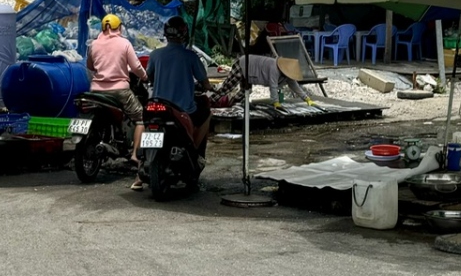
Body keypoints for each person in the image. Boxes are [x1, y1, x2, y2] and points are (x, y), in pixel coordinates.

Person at [139, 15, 210, 191]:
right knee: (207, 114)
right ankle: (196, 153)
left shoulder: (155, 54)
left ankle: (139, 165)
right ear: (183, 33)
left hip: (158, 106)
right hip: (183, 109)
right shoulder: (190, 56)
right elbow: (205, 83)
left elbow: (148, 77)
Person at [85, 14, 147, 162]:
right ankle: (134, 155)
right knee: (140, 117)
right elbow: (136, 66)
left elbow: (90, 66)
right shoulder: (124, 43)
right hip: (119, 91)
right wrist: (145, 77)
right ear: (119, 27)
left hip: (96, 91)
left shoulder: (94, 44)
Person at [210, 55, 313, 108]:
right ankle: (209, 102)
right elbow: (273, 86)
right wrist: (275, 102)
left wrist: (306, 98)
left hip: (251, 72)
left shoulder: (286, 74)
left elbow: (294, 85)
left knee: (245, 91)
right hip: (243, 64)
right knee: (227, 87)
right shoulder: (274, 68)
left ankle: (230, 104)